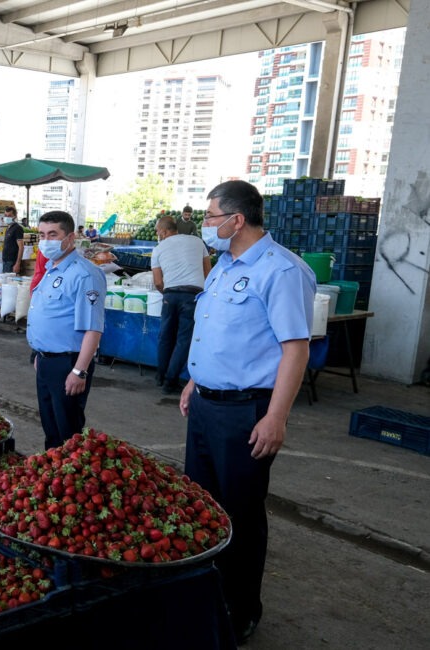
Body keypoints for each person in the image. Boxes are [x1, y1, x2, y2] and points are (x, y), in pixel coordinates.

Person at [178, 180, 315, 645]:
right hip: (206, 406)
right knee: (200, 507)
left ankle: (240, 609)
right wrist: (197, 379)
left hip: (246, 413)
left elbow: (295, 349)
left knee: (239, 514)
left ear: (237, 220)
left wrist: (275, 417)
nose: (206, 225)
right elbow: (220, 332)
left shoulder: (281, 271)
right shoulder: (222, 266)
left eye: (212, 217)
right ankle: (202, 597)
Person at [26, 211, 106, 450]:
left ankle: (68, 476)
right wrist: (38, 355)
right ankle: (50, 478)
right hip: (46, 361)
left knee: (68, 434)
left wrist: (79, 371)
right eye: (41, 234)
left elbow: (93, 328)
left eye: (53, 234)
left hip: (68, 364)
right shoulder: (52, 269)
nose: (46, 240)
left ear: (70, 237)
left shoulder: (85, 274)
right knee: (51, 431)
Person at [151, 216, 211, 395]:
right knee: (184, 339)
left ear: (163, 231)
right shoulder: (197, 242)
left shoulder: (158, 249)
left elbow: (158, 282)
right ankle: (171, 381)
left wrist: (168, 295)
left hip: (170, 295)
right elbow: (208, 272)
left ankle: (161, 376)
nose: (157, 234)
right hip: (193, 295)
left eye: (157, 231)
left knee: (165, 336)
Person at [1, 206, 25, 274]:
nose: (7, 217)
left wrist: (17, 263)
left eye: (9, 216)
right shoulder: (8, 228)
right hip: (6, 261)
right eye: (5, 215)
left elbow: (21, 247)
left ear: (14, 217)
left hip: (12, 262)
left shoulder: (17, 228)